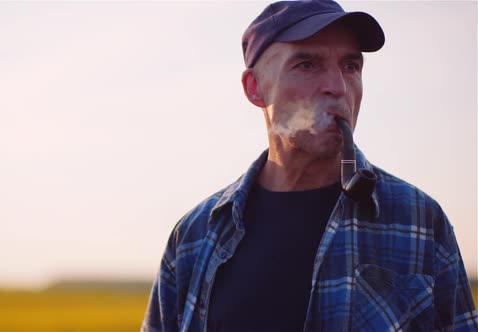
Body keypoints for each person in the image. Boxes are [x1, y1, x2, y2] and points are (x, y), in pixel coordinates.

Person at [142, 1, 478, 331]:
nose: (338, 86)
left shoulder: (420, 220)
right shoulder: (195, 236)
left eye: (351, 66)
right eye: (307, 64)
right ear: (255, 88)